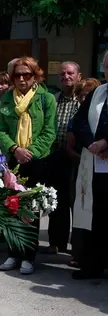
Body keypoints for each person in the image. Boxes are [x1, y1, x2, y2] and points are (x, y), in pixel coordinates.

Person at [0, 57, 57, 275]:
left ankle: (29, 256)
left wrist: (29, 152)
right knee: (11, 207)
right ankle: (13, 253)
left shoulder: (46, 99)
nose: (22, 79)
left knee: (31, 210)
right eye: (17, 75)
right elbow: (0, 130)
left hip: (37, 160)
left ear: (35, 76)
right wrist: (15, 149)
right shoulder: (6, 98)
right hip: (14, 160)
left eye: (27, 74)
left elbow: (50, 132)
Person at [70, 52, 108, 279]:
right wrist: (92, 143)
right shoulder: (97, 92)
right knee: (96, 215)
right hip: (95, 164)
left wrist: (106, 142)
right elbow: (79, 120)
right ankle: (93, 264)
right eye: (107, 66)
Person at [45, 62, 82, 254]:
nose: (66, 76)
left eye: (70, 73)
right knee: (56, 201)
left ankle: (77, 246)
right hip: (56, 155)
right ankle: (56, 242)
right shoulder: (54, 99)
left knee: (77, 202)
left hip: (77, 157)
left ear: (78, 76)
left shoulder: (83, 100)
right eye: (62, 74)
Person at [65, 78, 101, 269]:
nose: (84, 99)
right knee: (83, 211)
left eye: (87, 95)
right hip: (85, 165)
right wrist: (90, 150)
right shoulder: (77, 118)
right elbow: (70, 146)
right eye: (81, 96)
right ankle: (82, 255)